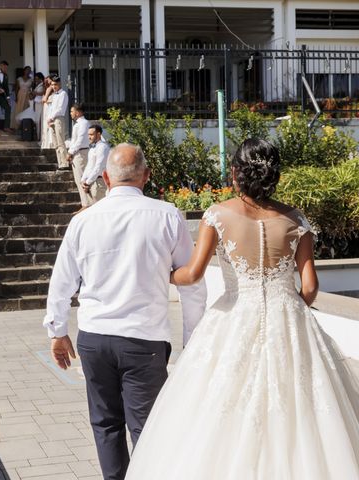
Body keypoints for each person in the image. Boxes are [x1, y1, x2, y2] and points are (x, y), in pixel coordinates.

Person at [125, 138, 359, 479]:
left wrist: (163, 274)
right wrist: (289, 305)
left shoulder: (217, 215)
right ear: (273, 176)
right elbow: (310, 287)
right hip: (288, 317)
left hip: (233, 317)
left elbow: (191, 275)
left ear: (236, 173)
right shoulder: (297, 220)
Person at [44, 143, 207, 480]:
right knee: (148, 429)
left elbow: (61, 282)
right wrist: (192, 340)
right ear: (146, 176)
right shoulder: (166, 215)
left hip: (94, 338)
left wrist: (57, 331)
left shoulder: (83, 221)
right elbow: (192, 284)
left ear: (105, 177)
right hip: (143, 339)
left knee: (105, 424)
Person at [67, 104, 90, 212]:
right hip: (77, 153)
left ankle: (86, 204)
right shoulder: (78, 124)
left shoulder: (83, 123)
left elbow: (80, 140)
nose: (71, 113)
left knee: (82, 178)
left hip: (81, 153)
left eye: (72, 111)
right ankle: (85, 203)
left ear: (77, 112)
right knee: (79, 179)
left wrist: (70, 152)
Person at [81, 124, 109, 205]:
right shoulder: (93, 148)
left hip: (99, 183)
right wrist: (83, 180)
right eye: (88, 134)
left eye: (91, 134)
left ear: (99, 134)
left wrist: (87, 182)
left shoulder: (103, 147)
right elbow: (89, 165)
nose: (89, 137)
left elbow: (98, 167)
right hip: (91, 182)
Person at [46, 76, 69, 169]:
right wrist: (49, 119)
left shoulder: (63, 94)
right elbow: (51, 109)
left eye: (55, 84)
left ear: (59, 84)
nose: (53, 86)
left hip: (58, 118)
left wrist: (51, 117)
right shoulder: (54, 95)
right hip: (51, 119)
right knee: (55, 143)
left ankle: (65, 163)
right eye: (52, 85)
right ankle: (60, 163)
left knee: (60, 141)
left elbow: (60, 109)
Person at [41, 75, 55, 149]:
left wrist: (45, 99)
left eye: (48, 79)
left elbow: (44, 99)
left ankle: (48, 142)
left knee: (47, 123)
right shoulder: (50, 88)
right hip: (48, 107)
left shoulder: (49, 88)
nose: (46, 81)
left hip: (48, 107)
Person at [31, 73, 45, 142]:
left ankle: (40, 137)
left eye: (37, 79)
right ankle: (38, 136)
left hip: (40, 104)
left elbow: (43, 93)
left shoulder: (43, 84)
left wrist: (35, 93)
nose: (36, 80)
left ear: (40, 78)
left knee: (39, 120)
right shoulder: (37, 85)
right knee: (37, 120)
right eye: (35, 79)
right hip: (36, 104)